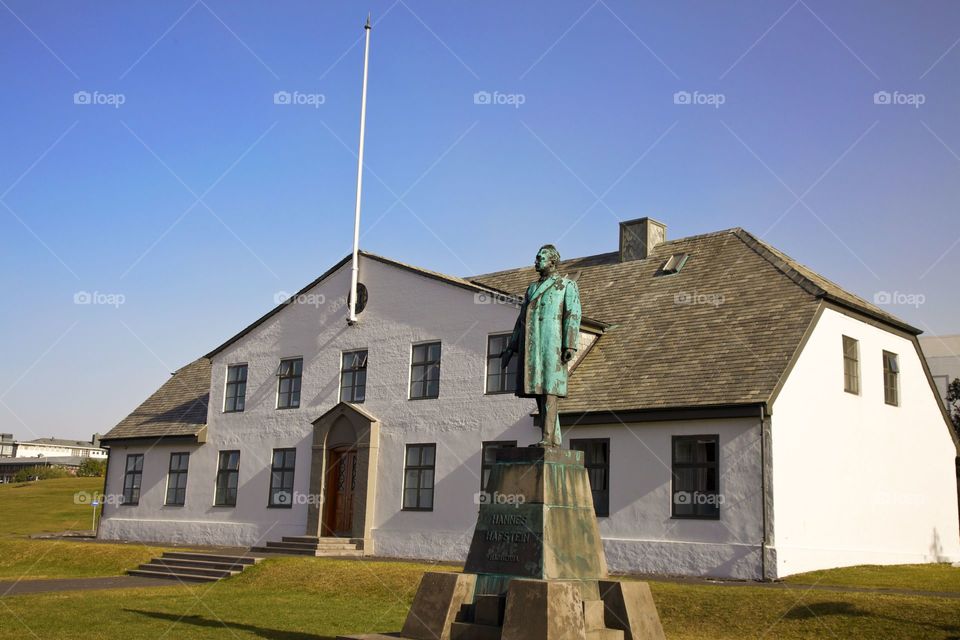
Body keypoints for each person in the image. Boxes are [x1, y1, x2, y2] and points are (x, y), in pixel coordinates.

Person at [501, 244, 581, 447]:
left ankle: (548, 438)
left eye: (540, 258)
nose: (535, 261)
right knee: (539, 389)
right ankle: (553, 438)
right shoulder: (532, 288)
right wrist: (511, 347)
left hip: (552, 343)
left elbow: (572, 315)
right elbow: (521, 320)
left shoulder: (566, 285)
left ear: (552, 261)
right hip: (534, 344)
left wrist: (569, 345)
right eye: (536, 258)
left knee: (549, 389)